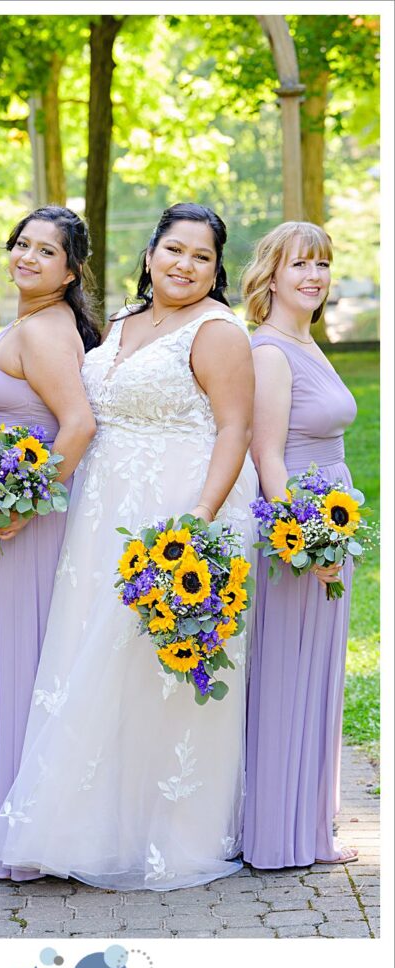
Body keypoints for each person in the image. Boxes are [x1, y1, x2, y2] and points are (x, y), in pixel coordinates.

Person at [0, 202, 258, 890]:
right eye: (173, 249)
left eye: (201, 257)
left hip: (176, 514)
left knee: (150, 673)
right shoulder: (117, 325)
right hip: (102, 512)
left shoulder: (219, 331)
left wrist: (195, 522)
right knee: (91, 660)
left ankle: (159, 835)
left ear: (216, 268)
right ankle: (83, 825)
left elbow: (234, 430)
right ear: (148, 254)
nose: (184, 265)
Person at [0, 205, 100, 879]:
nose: (26, 257)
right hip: (24, 512)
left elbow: (76, 424)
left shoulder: (46, 330)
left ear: (70, 270)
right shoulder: (38, 322)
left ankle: (31, 838)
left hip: (33, 520)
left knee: (25, 665)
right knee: (24, 663)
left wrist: (27, 502)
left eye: (45, 251)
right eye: (21, 243)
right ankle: (20, 822)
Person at [241, 221, 359, 868]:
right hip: (295, 539)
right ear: (272, 274)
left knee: (317, 676)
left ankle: (310, 828)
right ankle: (276, 836)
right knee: (288, 676)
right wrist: (309, 546)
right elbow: (268, 460)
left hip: (327, 529)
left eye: (320, 264)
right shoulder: (269, 352)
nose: (312, 276)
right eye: (298, 266)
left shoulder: (305, 341)